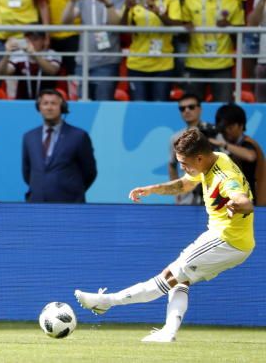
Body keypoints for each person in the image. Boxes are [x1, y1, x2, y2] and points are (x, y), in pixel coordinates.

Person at [75, 129, 254, 343]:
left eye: (184, 163)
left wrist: (236, 204)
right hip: (224, 238)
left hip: (226, 241)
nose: (182, 167)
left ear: (199, 157)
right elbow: (184, 184)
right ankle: (169, 332)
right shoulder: (214, 159)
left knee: (168, 276)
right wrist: (152, 189)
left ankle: (106, 301)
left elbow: (244, 201)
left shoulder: (225, 176)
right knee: (180, 280)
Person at [60, 0, 128, 101]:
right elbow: (65, 22)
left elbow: (117, 24)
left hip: (107, 62)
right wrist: (71, 2)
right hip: (83, 61)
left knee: (103, 107)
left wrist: (107, 3)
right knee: (82, 109)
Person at [181, 0, 243, 101]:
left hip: (222, 64)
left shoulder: (234, 1)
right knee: (192, 107)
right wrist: (184, 27)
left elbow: (240, 38)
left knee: (223, 108)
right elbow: (182, 37)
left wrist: (230, 27)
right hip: (195, 63)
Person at [21, 88, 96, 203]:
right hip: (36, 203)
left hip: (69, 204)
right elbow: (27, 172)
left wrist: (72, 191)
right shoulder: (29, 137)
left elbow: (89, 172)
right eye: (45, 103)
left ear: (62, 107)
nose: (49, 107)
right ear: (39, 107)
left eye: (54, 103)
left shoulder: (79, 136)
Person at [213, 103, 265, 206]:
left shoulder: (248, 143)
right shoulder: (220, 144)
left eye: (231, 126)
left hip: (253, 202)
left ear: (241, 125)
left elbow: (250, 156)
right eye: (224, 127)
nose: (227, 131)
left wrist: (223, 144)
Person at [170, 93, 212, 205]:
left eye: (191, 107)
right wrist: (176, 191)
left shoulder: (212, 131)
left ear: (200, 109)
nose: (187, 111)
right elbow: (172, 165)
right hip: (187, 196)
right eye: (182, 108)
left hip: (212, 192)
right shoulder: (176, 137)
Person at [0, 30, 62, 99]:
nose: (31, 43)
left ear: (44, 40)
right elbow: (2, 72)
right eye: (28, 40)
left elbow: (52, 71)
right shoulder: (18, 54)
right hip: (22, 102)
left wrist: (34, 54)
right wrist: (7, 53)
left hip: (47, 102)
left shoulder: (52, 54)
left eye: (35, 39)